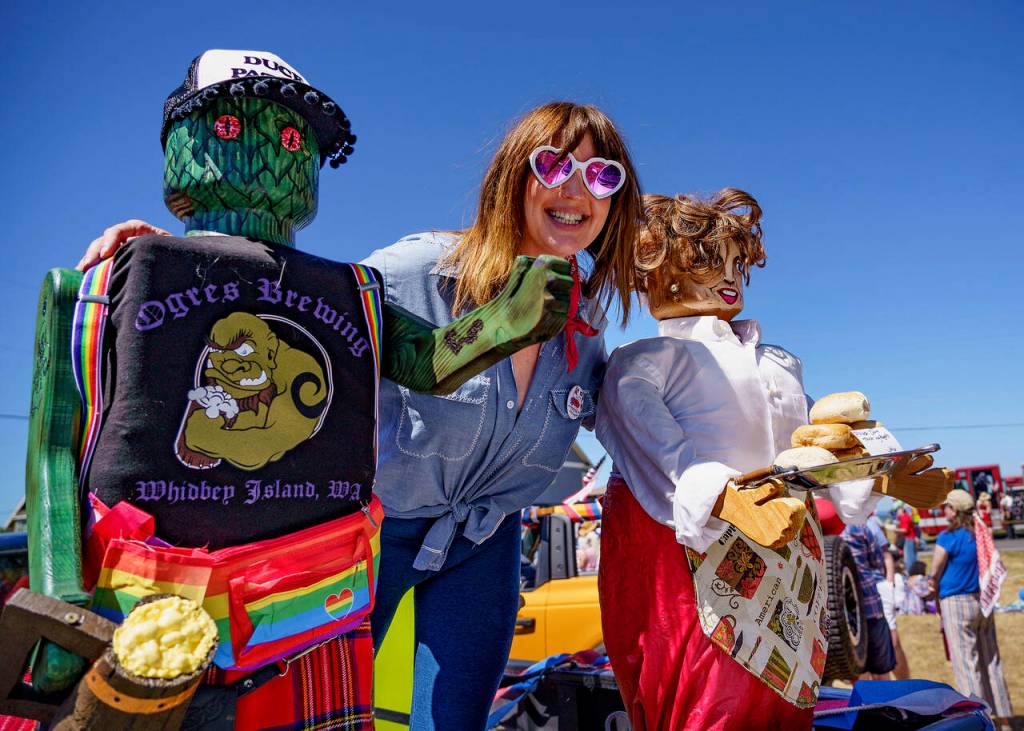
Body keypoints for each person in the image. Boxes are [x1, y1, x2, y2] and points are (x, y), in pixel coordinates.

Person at [77, 101, 643, 730]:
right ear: (514, 176)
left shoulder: (586, 330)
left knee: (452, 723)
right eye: (555, 165)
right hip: (370, 533)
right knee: (302, 714)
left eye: (602, 176)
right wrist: (169, 257)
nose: (576, 191)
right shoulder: (420, 270)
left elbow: (640, 426)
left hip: (484, 544)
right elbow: (290, 298)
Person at [593, 190, 945, 730]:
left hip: (787, 552)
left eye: (736, 262)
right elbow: (645, 439)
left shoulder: (779, 362)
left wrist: (879, 476)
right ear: (657, 273)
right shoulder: (646, 360)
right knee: (708, 701)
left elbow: (812, 445)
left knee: (788, 692)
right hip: (691, 551)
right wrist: (724, 497)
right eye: (707, 261)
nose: (729, 276)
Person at [928, 490, 1013, 724]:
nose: (944, 510)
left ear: (954, 511)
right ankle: (1004, 717)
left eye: (947, 507)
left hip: (956, 602)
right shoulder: (979, 534)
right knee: (991, 660)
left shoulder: (948, 537)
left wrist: (929, 587)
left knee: (967, 664)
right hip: (981, 601)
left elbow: (935, 572)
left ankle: (978, 718)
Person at [841, 514, 899, 679]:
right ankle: (885, 704)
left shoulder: (821, 529)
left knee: (860, 671)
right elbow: (877, 561)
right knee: (881, 671)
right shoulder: (858, 526)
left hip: (845, 615)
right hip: (870, 607)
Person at [898, 504, 919, 570]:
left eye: (897, 511)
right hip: (911, 538)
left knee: (909, 558)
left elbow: (905, 530)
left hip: (908, 538)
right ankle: (914, 571)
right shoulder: (906, 517)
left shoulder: (904, 517)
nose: (896, 513)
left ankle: (910, 571)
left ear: (901, 511)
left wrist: (894, 529)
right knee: (912, 556)